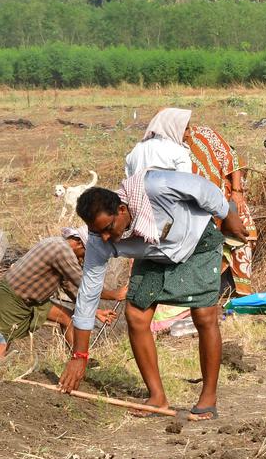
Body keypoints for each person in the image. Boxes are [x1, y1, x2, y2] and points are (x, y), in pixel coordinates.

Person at [61, 173, 250, 420]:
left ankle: (208, 398)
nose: (106, 237)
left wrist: (229, 214)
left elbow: (204, 189)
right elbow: (88, 293)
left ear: (122, 209)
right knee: (136, 315)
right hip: (154, 256)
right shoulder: (99, 240)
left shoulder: (156, 187)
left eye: (109, 228)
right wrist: (80, 356)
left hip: (197, 243)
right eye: (99, 232)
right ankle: (157, 397)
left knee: (204, 316)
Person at [0, 228, 124, 358]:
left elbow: (69, 286)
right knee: (3, 340)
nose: (84, 258)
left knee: (67, 318)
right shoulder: (62, 251)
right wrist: (113, 294)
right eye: (86, 253)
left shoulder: (59, 246)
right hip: (12, 298)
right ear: (79, 243)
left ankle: (79, 359)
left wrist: (94, 311)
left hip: (33, 301)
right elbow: (84, 284)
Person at [188, 123, 258, 297]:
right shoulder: (169, 147)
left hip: (227, 201)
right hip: (200, 211)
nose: (187, 132)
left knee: (241, 239)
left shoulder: (205, 134)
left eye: (188, 128)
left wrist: (236, 191)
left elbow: (232, 159)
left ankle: (239, 294)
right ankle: (215, 294)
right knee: (208, 249)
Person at [124, 107, 193, 177]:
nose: (188, 134)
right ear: (172, 127)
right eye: (185, 129)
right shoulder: (179, 152)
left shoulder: (137, 149)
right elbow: (185, 184)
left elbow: (129, 179)